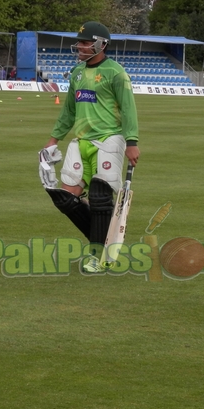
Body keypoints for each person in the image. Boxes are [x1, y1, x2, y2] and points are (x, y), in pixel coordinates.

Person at [41, 21, 139, 274]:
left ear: (101, 44)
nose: (81, 47)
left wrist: (132, 142)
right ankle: (105, 240)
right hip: (81, 141)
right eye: (80, 42)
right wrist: (54, 139)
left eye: (86, 42)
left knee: (99, 197)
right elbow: (68, 111)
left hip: (110, 139)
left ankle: (96, 254)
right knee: (65, 200)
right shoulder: (76, 72)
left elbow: (128, 109)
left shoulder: (116, 73)